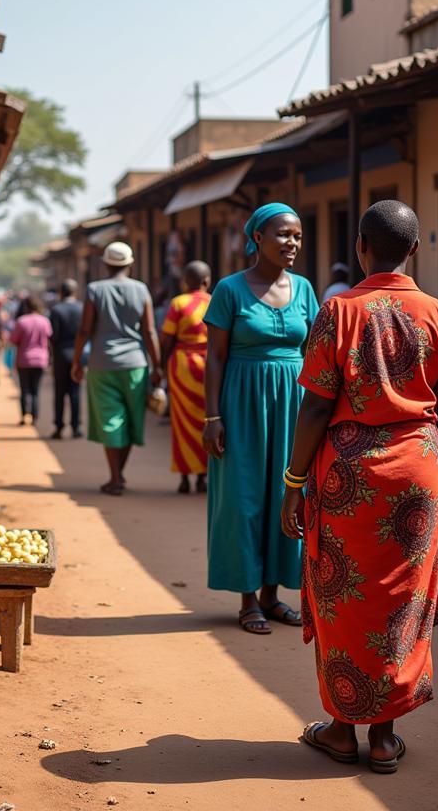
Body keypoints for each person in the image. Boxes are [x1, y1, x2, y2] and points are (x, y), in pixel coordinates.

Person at [281, 200, 438, 774]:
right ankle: (384, 737)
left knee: (345, 598)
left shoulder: (340, 310)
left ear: (361, 246)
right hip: (419, 470)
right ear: (414, 249)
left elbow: (316, 405)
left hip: (348, 476)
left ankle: (342, 730)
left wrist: (294, 481)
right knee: (400, 601)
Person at [202, 203, 319, 634]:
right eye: (283, 235)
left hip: (293, 401)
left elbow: (315, 354)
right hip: (241, 400)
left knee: (284, 494)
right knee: (243, 497)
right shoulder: (229, 290)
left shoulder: (305, 289)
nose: (292, 243)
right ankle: (247, 597)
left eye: (298, 236)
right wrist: (212, 416)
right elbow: (214, 358)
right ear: (258, 238)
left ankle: (272, 596)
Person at [71, 241, 162, 495]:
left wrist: (77, 361)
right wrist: (158, 366)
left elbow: (85, 330)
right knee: (132, 419)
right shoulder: (141, 290)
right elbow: (150, 331)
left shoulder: (94, 289)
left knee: (111, 420)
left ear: (105, 264)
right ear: (130, 264)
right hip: (136, 364)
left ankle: (115, 477)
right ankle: (118, 474)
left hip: (102, 364)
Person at [161, 261, 212, 494]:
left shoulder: (178, 303)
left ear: (185, 281)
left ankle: (184, 478)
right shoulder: (215, 301)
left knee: (181, 423)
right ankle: (203, 477)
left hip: (182, 366)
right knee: (208, 420)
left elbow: (167, 339)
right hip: (211, 368)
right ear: (207, 281)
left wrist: (160, 367)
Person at [8, 296, 52, 425]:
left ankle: (23, 416)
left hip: (24, 360)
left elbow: (13, 340)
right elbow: (49, 338)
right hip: (40, 359)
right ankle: (35, 417)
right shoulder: (45, 321)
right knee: (35, 390)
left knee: (24, 389)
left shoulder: (22, 321)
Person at [49, 279, 83, 439]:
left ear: (61, 292)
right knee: (75, 392)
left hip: (61, 354)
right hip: (77, 353)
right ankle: (76, 427)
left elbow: (53, 336)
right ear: (75, 292)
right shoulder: (81, 308)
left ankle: (59, 427)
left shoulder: (56, 310)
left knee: (60, 393)